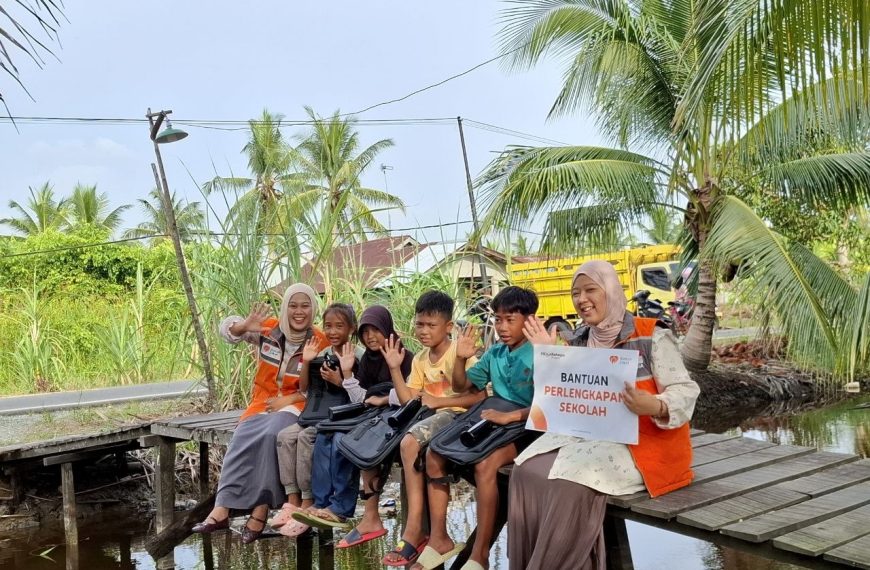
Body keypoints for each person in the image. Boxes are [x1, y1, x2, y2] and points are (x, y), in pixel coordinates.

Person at [508, 260, 700, 569]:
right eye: (575, 293)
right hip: (592, 437)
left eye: (590, 290)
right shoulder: (581, 338)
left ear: (610, 290)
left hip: (646, 445)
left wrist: (652, 405)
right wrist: (548, 354)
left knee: (567, 482)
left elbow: (686, 391)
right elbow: (562, 396)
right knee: (524, 469)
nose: (581, 299)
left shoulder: (651, 335)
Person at [337, 291, 483, 566]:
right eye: (419, 325)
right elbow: (408, 398)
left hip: (456, 416)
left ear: (448, 327)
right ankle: (372, 516)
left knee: (409, 443)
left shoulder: (458, 352)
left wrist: (441, 400)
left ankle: (414, 529)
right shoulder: (419, 360)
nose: (424, 332)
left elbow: (480, 396)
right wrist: (394, 368)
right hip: (426, 416)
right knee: (372, 439)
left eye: (431, 325)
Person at [191, 283, 329, 544]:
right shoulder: (271, 328)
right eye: (293, 305)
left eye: (305, 305)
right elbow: (226, 330)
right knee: (241, 435)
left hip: (298, 404)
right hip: (261, 402)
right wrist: (243, 327)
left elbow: (322, 389)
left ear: (313, 308)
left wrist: (288, 399)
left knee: (272, 433)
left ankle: (261, 508)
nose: (299, 312)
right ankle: (222, 507)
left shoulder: (319, 341)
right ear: (285, 307)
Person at [413, 286, 539, 570]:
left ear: (529, 319)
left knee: (486, 465)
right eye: (498, 319)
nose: (502, 327)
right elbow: (462, 386)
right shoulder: (495, 353)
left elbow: (553, 402)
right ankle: (439, 538)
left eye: (511, 319)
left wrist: (512, 417)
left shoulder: (543, 350)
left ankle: (479, 554)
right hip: (494, 420)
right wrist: (459, 357)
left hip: (529, 426)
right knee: (434, 453)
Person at [291, 305, 414, 546]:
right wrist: (347, 375)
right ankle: (321, 501)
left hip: (395, 416)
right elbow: (361, 398)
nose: (370, 337)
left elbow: (411, 396)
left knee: (343, 441)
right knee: (326, 433)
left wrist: (384, 396)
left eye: (375, 330)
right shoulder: (368, 359)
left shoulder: (405, 356)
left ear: (387, 329)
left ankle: (342, 507)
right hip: (370, 415)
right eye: (366, 332)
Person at [269, 303, 363, 537]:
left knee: (306, 436)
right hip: (318, 413)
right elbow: (305, 389)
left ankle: (309, 502)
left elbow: (361, 397)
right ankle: (293, 500)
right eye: (328, 326)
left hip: (342, 417)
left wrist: (340, 380)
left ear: (352, 328)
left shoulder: (357, 355)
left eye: (339, 326)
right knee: (285, 436)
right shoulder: (323, 354)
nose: (332, 332)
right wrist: (309, 361)